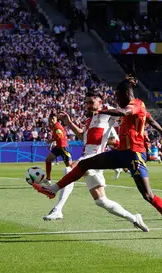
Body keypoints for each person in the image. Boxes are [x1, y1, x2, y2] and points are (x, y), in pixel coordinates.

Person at [33, 76, 162, 239]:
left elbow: (123, 112)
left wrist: (101, 111)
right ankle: (53, 191)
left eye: (118, 96)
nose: (116, 99)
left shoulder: (132, 106)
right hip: (121, 153)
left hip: (134, 155)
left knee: (147, 195)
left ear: (126, 94)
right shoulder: (103, 116)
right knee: (88, 173)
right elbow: (149, 119)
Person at [42, 92, 149, 233]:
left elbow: (123, 114)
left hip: (95, 157)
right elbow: (82, 136)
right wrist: (69, 123)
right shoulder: (89, 120)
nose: (88, 105)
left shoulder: (107, 113)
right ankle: (134, 218)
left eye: (91, 102)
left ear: (100, 103)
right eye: (86, 103)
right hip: (90, 160)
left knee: (69, 169)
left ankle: (58, 209)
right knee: (101, 201)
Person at [45, 113, 72, 183]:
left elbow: (59, 136)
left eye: (53, 119)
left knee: (69, 166)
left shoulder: (57, 127)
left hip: (63, 147)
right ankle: (48, 179)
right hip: (58, 147)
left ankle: (83, 173)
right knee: (48, 160)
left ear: (56, 119)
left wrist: (50, 141)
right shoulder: (53, 126)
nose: (51, 120)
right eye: (50, 119)